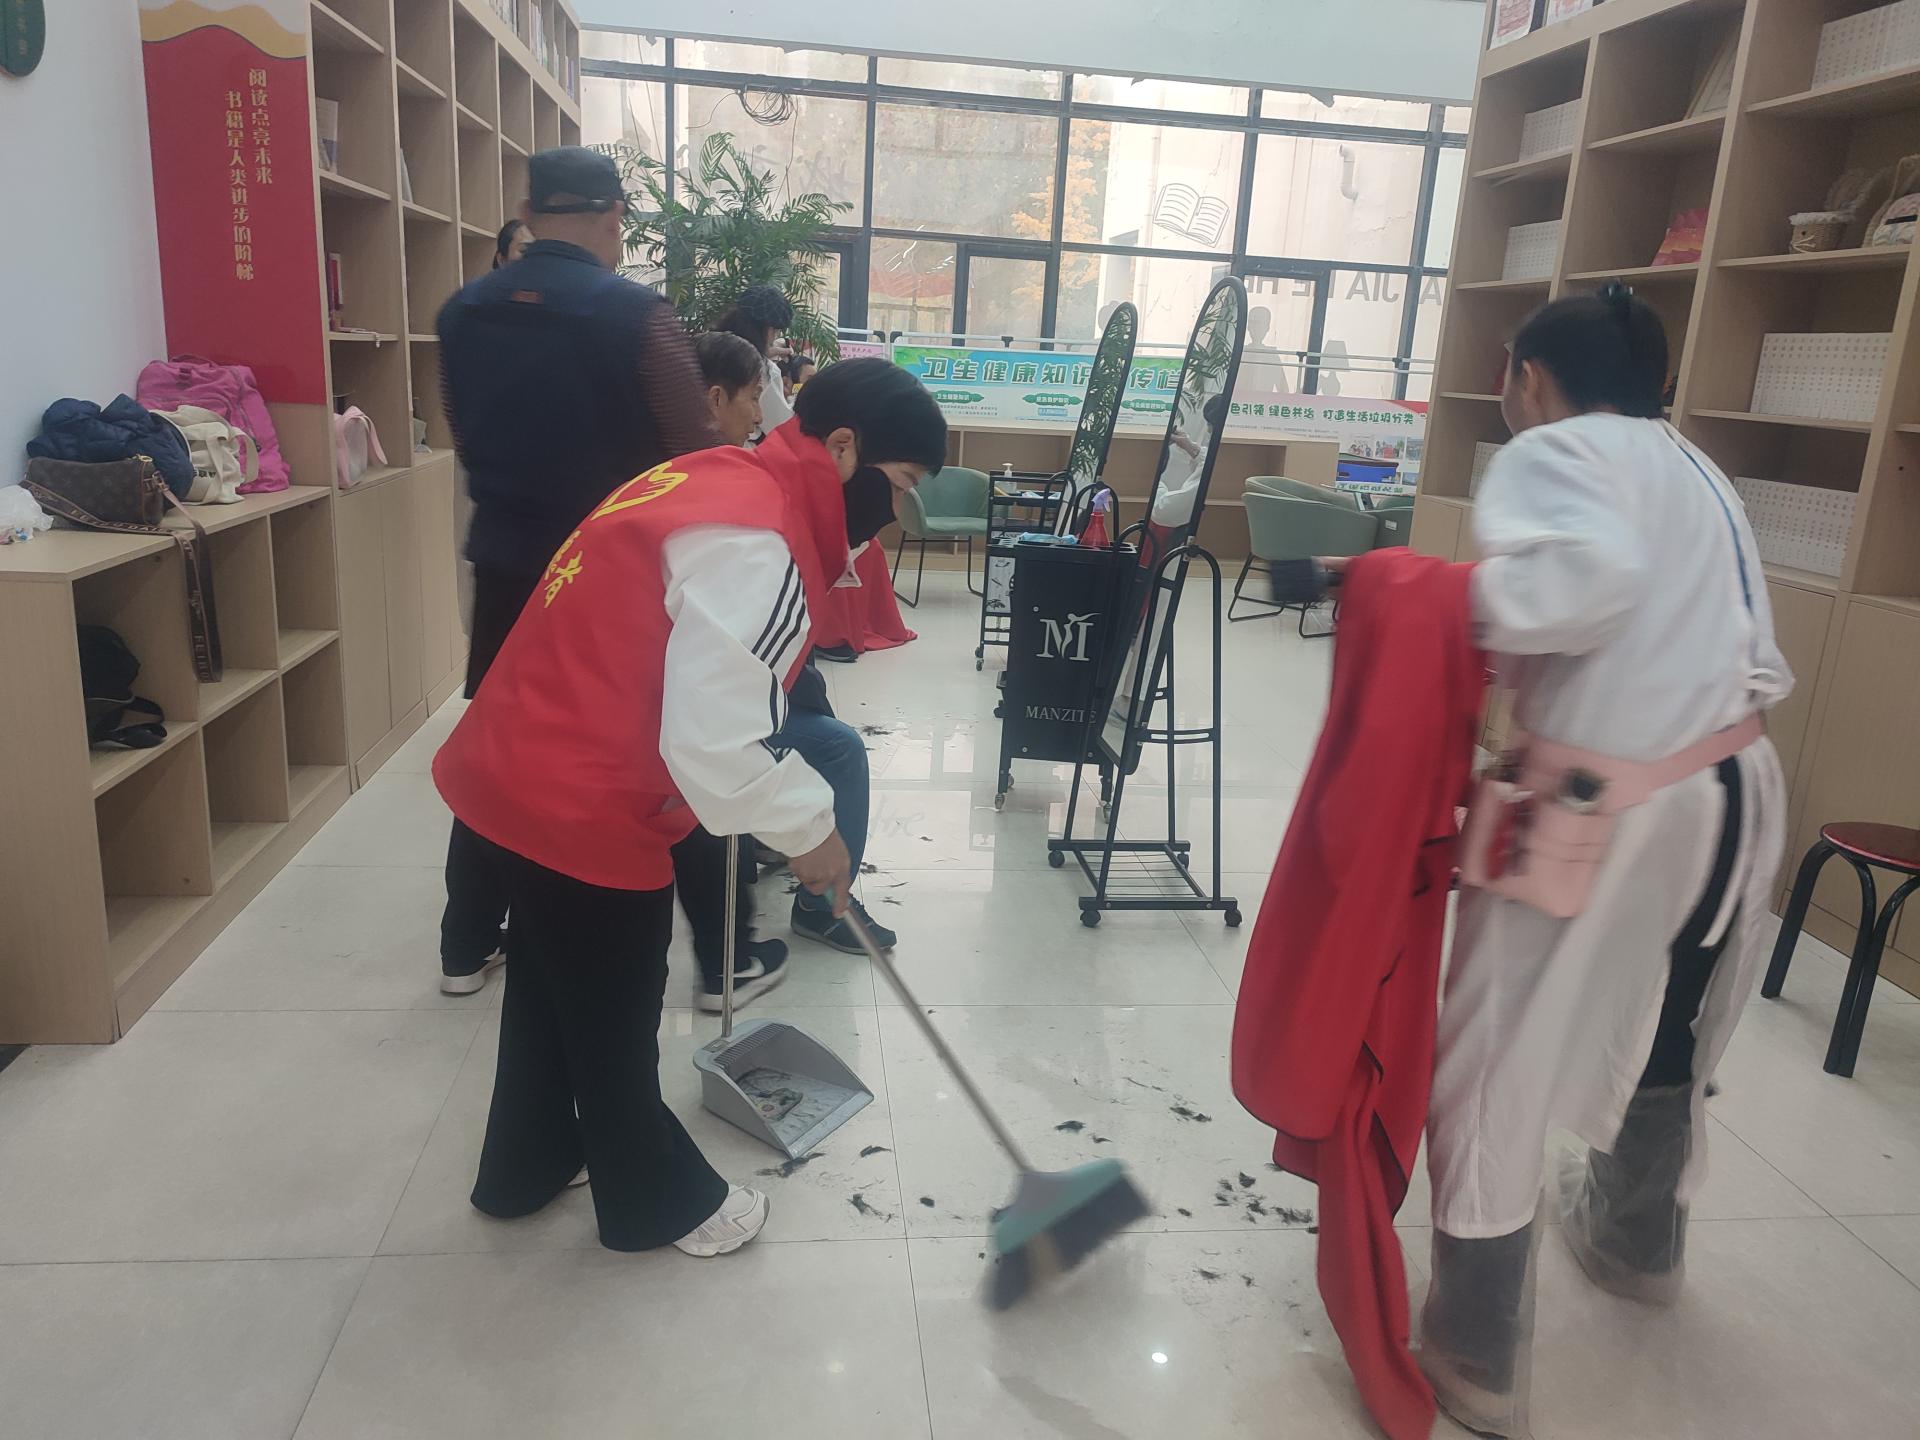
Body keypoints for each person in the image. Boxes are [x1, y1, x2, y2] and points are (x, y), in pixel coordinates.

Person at [431, 357, 947, 1256]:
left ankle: (526, 1162)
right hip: (581, 793)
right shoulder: (761, 539)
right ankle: (656, 1202)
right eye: (900, 483)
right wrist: (813, 831)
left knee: (551, 985)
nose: (897, 513)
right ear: (843, 448)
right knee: (615, 1008)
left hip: (514, 760)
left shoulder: (715, 477)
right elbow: (714, 743)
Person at [1417, 284, 1791, 1436]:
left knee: (1495, 1047)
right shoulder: (1700, 468)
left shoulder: (1555, 447)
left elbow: (1580, 588)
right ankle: (1637, 1247)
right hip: (1739, 790)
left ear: (1529, 379)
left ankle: (1476, 1349)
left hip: (1603, 803)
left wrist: (1434, 595)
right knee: (1674, 1025)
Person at [434, 146, 718, 996]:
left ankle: (465, 945)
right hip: (611, 582)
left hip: (507, 562)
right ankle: (713, 953)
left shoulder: (461, 313)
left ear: (527, 215)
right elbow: (693, 454)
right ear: (614, 216)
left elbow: (460, 431)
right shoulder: (638, 316)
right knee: (646, 750)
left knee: (500, 746)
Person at [688, 333, 900, 957]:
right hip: (676, 718)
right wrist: (807, 828)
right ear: (715, 398)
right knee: (836, 748)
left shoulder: (707, 473)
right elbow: (713, 715)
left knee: (815, 718)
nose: (760, 415)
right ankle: (794, 920)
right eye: (754, 397)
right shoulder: (752, 515)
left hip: (695, 699)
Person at [714, 284, 796, 437]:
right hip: (742, 445)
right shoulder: (762, 369)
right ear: (769, 330)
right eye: (776, 332)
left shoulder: (710, 347)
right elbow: (780, 426)